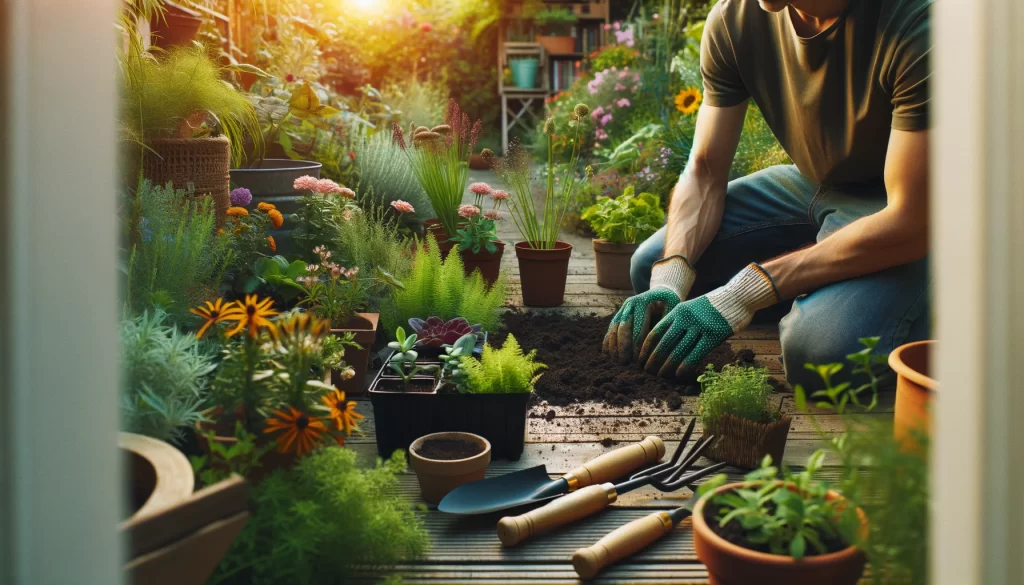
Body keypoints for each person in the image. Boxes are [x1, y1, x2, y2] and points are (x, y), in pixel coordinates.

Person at [603, 0, 931, 389]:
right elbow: (706, 170)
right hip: (811, 184)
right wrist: (671, 276)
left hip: (912, 209)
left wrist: (744, 293)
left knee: (819, 355)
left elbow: (910, 221)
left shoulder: (917, 22)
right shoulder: (735, 19)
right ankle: (829, 281)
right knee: (653, 269)